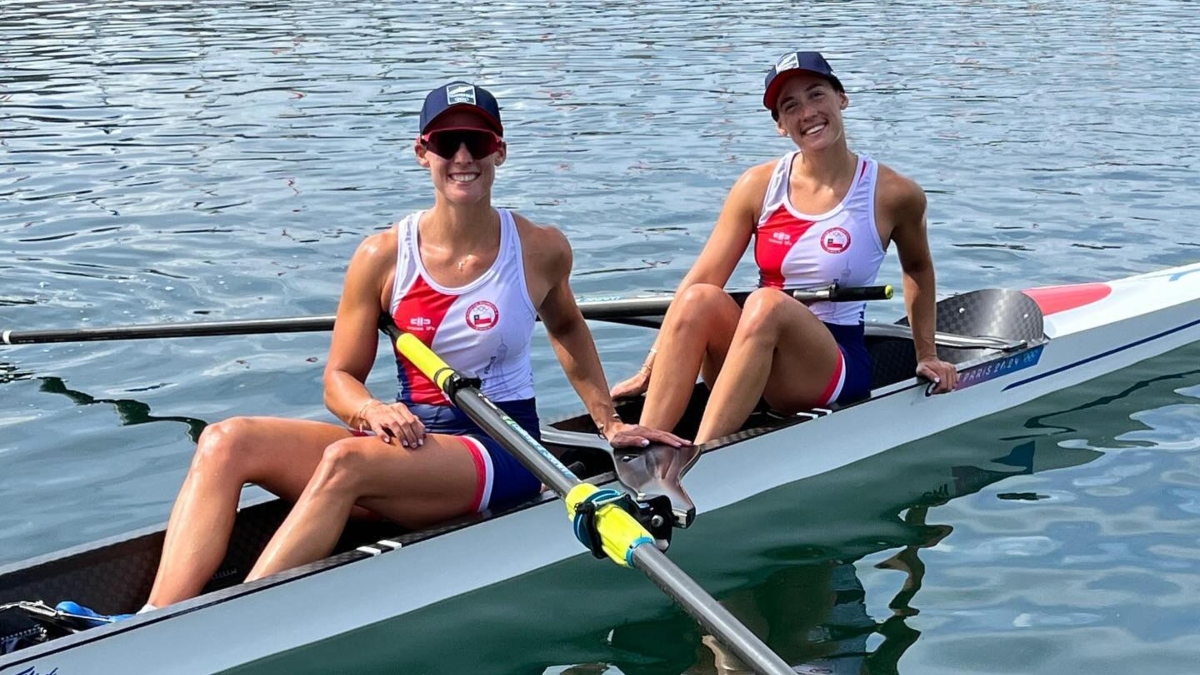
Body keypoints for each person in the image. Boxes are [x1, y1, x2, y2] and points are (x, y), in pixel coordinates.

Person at [60, 81, 688, 624]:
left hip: (503, 449)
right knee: (226, 439)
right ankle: (155, 618)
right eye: (446, 144)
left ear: (500, 151)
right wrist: (369, 411)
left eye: (477, 142)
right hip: (413, 438)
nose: (462, 157)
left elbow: (569, 331)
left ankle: (229, 619)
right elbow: (339, 378)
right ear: (423, 154)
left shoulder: (540, 248)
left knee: (345, 464)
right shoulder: (382, 256)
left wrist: (608, 423)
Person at [612, 51, 958, 445]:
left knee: (765, 304)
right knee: (699, 299)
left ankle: (696, 461)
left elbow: (917, 267)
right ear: (780, 126)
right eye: (790, 106)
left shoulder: (894, 194)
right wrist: (652, 364)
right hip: (757, 346)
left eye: (816, 95)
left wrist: (926, 353)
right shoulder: (757, 186)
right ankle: (646, 446)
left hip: (833, 362)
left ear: (841, 98)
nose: (807, 112)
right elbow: (703, 278)